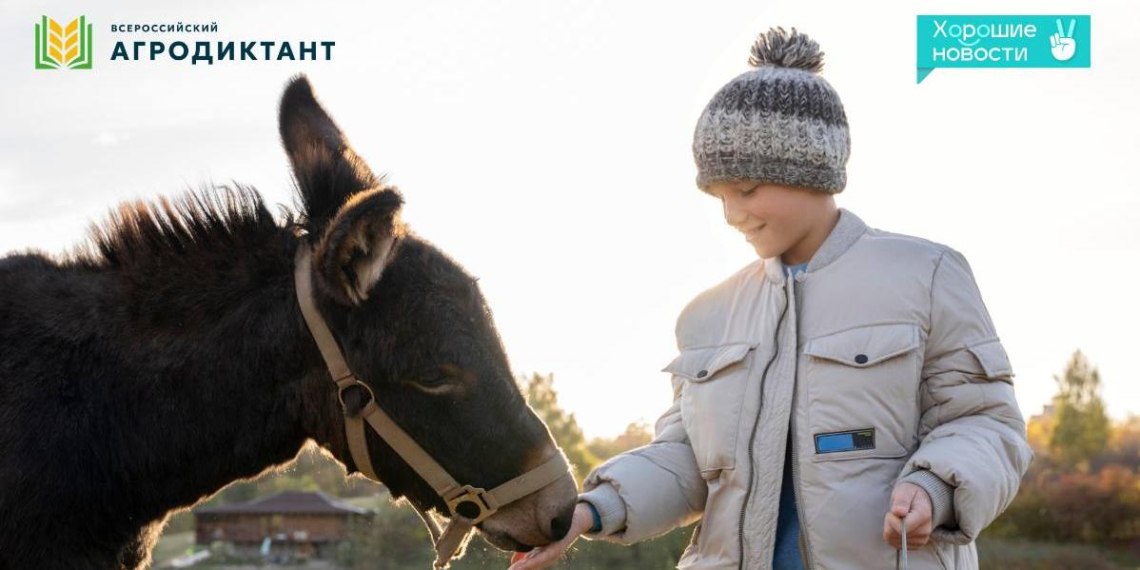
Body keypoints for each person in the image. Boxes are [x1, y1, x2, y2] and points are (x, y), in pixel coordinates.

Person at [509, 26, 1032, 570]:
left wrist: (934, 488)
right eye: (718, 195)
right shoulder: (706, 316)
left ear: (810, 171)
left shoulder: (926, 274)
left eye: (747, 189)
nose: (732, 214)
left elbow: (986, 424)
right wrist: (593, 509)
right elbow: (684, 461)